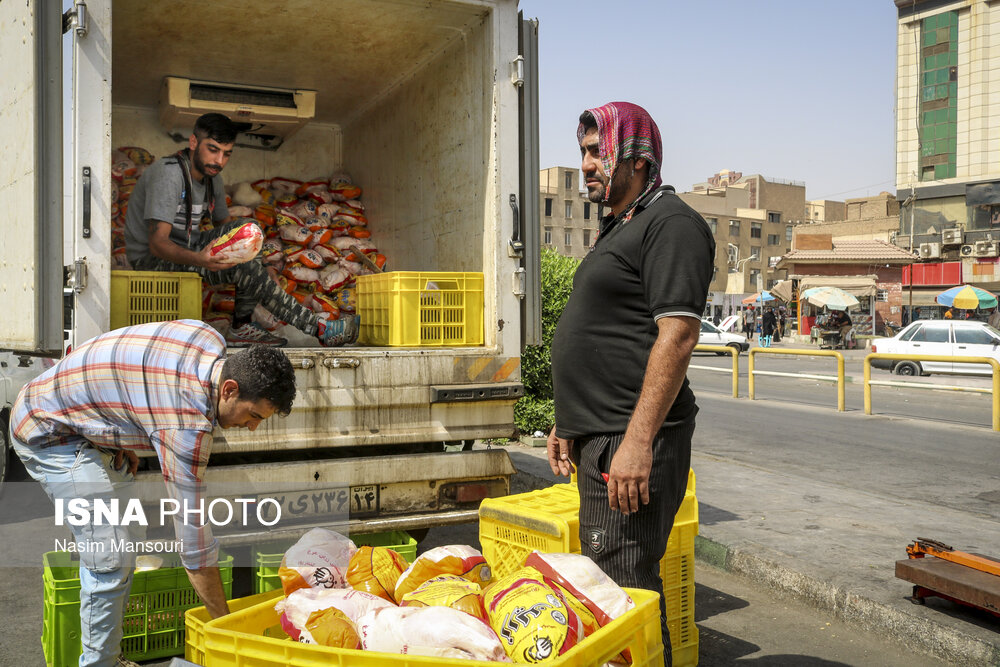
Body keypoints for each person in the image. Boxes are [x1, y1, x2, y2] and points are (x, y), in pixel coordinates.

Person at [10, 319, 297, 666]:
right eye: (253, 415)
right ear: (229, 389)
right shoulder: (186, 425)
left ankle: (107, 653)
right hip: (48, 431)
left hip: (80, 419)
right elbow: (195, 552)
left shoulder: (209, 339)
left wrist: (121, 432)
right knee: (110, 554)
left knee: (130, 535)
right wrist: (228, 630)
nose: (252, 427)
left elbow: (136, 379)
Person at [546, 102, 714, 664]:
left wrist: (639, 442)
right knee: (612, 591)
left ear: (635, 159)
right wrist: (566, 423)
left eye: (597, 152)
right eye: (583, 153)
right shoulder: (624, 225)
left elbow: (678, 335)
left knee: (620, 594)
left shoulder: (672, 224)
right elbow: (609, 335)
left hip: (631, 437)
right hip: (603, 435)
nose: (587, 165)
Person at [124, 113, 357, 348]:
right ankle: (318, 328)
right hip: (151, 259)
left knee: (250, 230)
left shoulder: (211, 177)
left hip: (188, 246)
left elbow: (228, 228)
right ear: (193, 142)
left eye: (226, 153)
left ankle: (241, 326)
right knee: (243, 267)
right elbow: (158, 243)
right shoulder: (169, 174)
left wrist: (265, 266)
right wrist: (200, 259)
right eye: (213, 149)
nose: (219, 160)